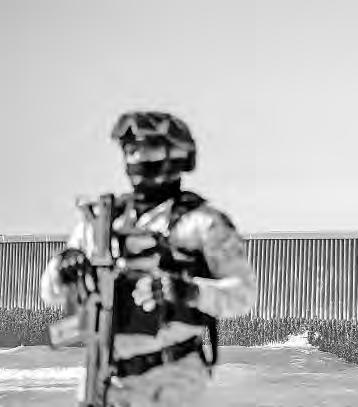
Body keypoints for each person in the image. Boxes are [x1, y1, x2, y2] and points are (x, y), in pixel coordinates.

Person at [40, 111, 257, 406]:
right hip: (103, 377)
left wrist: (188, 291)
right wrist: (63, 267)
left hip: (170, 381)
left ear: (177, 155)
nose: (138, 158)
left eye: (149, 149)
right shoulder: (103, 221)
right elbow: (50, 293)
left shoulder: (202, 224)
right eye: (131, 151)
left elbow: (243, 296)